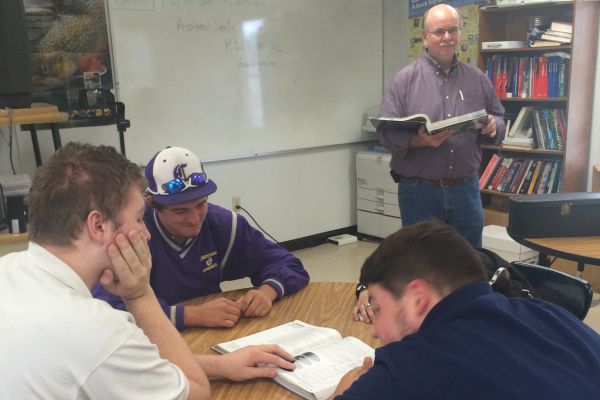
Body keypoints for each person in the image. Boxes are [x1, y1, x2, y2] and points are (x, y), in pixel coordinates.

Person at [0, 143, 296, 399]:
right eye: (140, 218)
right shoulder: (100, 333)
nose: (147, 233)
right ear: (98, 226)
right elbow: (195, 392)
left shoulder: (7, 270)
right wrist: (140, 294)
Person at [331, 220, 600, 399]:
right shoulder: (548, 313)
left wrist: (342, 391)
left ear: (417, 298)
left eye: (377, 308)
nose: (375, 331)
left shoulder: (413, 365)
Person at [93, 146, 309, 330]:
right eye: (180, 211)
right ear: (152, 204)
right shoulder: (134, 233)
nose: (195, 218)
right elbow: (109, 306)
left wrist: (267, 291)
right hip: (152, 341)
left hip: (215, 332)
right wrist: (190, 316)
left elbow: (288, 263)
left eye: (201, 204)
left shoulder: (222, 224)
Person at [377, 3, 505, 248]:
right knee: (422, 266)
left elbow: (499, 116)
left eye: (453, 30)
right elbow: (385, 132)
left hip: (465, 189)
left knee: (469, 264)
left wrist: (493, 126)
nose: (447, 37)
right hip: (419, 192)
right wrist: (417, 141)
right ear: (425, 38)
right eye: (439, 32)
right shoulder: (405, 80)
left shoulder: (476, 78)